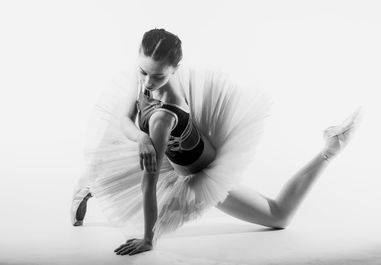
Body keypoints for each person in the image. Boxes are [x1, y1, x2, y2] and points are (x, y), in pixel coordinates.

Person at [70, 28, 362, 256]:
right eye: (143, 71)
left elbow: (149, 181)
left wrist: (148, 237)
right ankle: (92, 182)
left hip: (199, 173)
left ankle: (329, 149)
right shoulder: (142, 81)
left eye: (157, 76)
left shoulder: (163, 118)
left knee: (279, 216)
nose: (147, 82)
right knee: (124, 155)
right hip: (171, 158)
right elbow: (123, 119)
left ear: (175, 69)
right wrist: (141, 138)